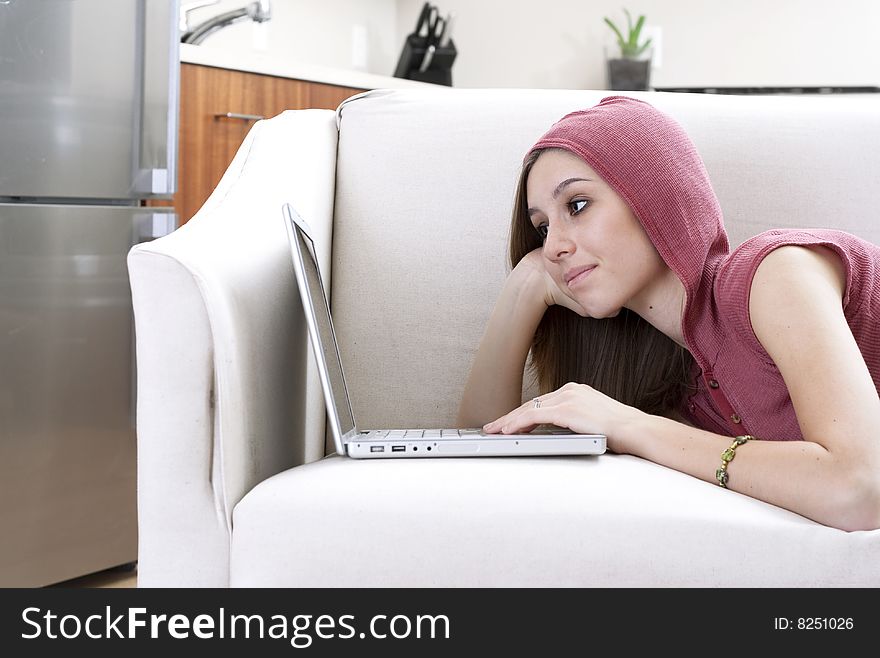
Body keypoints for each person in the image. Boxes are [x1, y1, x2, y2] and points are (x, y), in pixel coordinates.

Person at [457, 96, 880, 532]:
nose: (552, 246)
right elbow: (476, 446)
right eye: (543, 227)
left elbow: (860, 489)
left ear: (655, 195)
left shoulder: (775, 275)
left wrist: (633, 427)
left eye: (578, 205)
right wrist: (524, 288)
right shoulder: (683, 391)